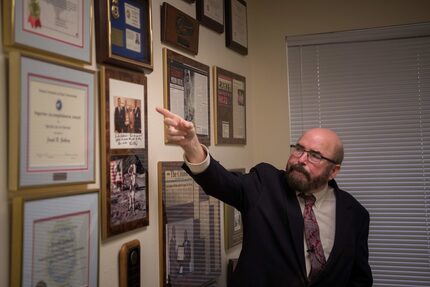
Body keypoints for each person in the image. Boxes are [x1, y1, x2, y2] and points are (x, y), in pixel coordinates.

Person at [156, 107, 373, 287]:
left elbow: (359, 278)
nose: (301, 159)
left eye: (315, 156)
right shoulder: (265, 184)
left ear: (334, 171)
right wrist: (191, 145)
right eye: (299, 149)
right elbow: (222, 183)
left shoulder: (355, 214)